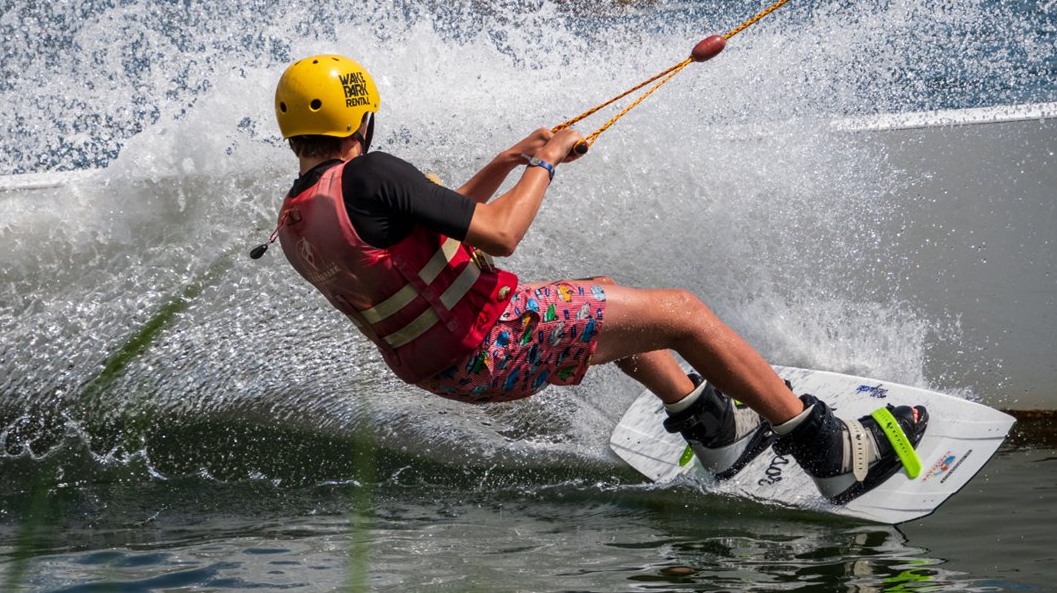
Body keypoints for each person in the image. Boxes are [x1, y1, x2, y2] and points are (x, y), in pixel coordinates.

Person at [262, 54, 928, 504]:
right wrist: (545, 163)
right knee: (685, 313)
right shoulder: (372, 175)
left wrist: (505, 158)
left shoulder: (297, 217)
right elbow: (498, 233)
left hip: (449, 371)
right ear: (361, 118)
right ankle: (833, 452)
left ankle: (717, 434)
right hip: (495, 340)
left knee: (611, 303)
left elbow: (429, 230)